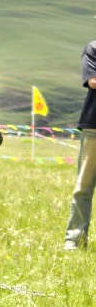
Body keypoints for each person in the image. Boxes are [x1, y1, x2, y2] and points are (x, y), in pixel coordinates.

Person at [65, 38, 96, 250]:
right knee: (84, 186)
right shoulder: (93, 48)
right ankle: (74, 240)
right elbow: (93, 80)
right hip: (95, 127)